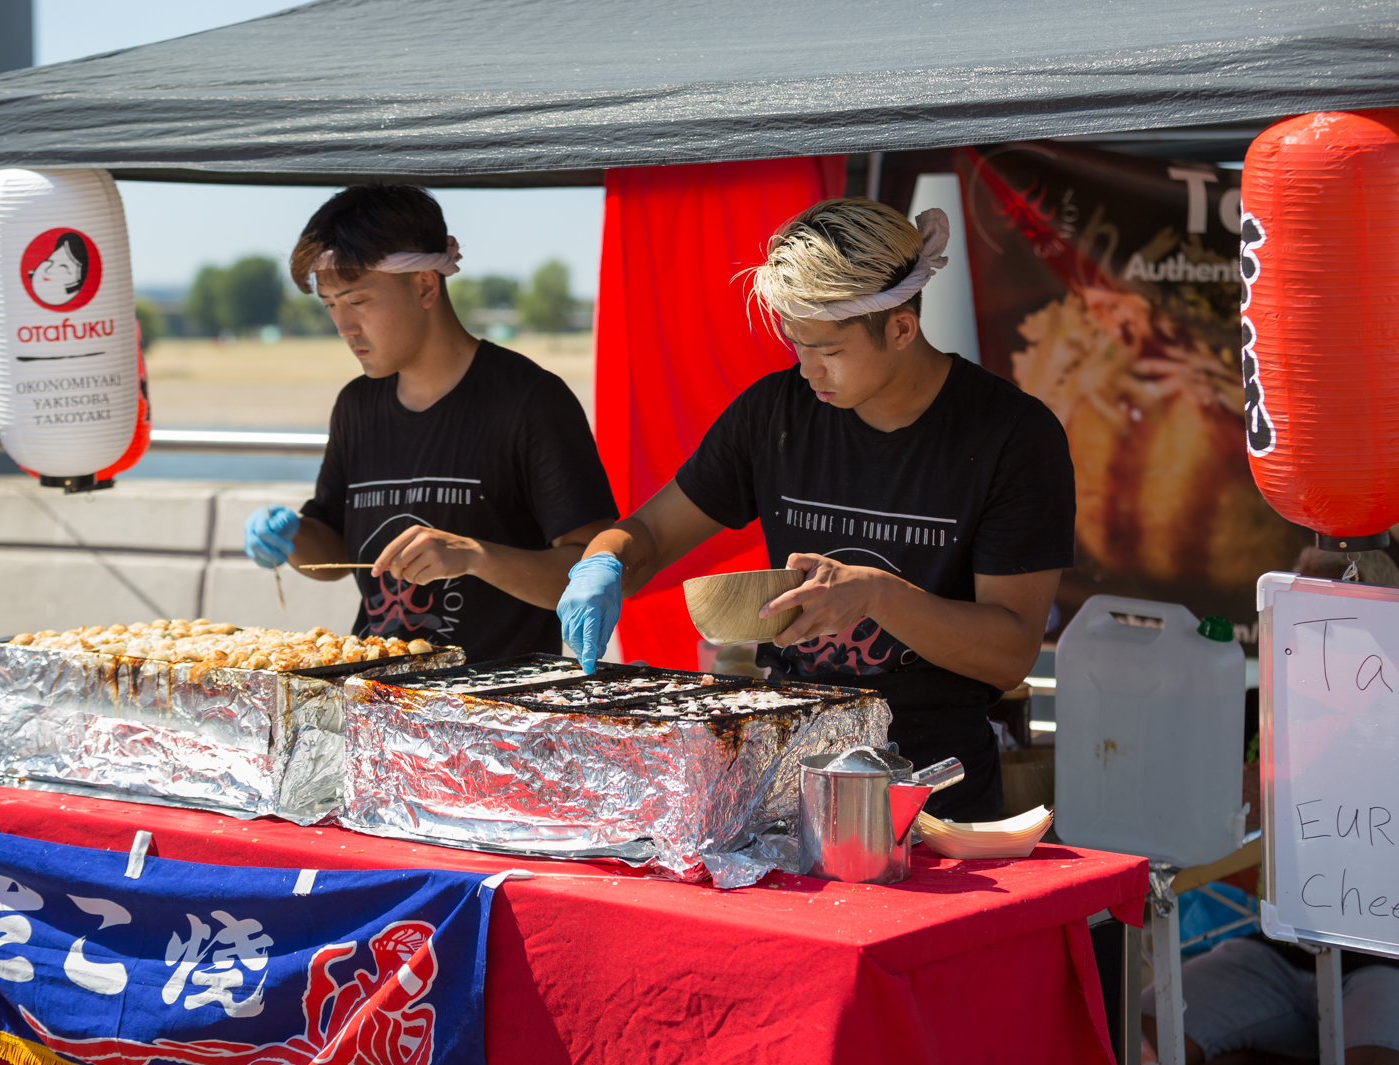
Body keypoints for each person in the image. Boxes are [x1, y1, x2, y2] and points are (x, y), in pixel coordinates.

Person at [556, 198, 1075, 821]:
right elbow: (650, 532)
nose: (805, 370)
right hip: (784, 770)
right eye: (795, 344)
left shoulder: (1013, 437)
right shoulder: (773, 414)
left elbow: (1013, 648)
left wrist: (880, 596)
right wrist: (602, 564)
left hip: (934, 788)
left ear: (901, 330)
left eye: (827, 349)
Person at [242, 185, 618, 662]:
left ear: (424, 285)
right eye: (330, 305)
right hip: (373, 692)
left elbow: (594, 567)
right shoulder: (356, 406)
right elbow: (331, 551)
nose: (344, 327)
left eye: (357, 301)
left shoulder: (529, 400)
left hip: (497, 705)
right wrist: (290, 535)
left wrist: (476, 557)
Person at [1139, 543, 1399, 1065]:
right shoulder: (1272, 707)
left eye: (1323, 614)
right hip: (1278, 951)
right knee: (1131, 1031)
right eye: (1295, 613)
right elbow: (1233, 799)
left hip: (1385, 965)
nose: (1305, 633)